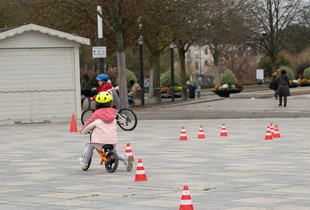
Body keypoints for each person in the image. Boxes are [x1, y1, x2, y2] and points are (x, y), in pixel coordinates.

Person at [79, 91, 133, 171]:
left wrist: (83, 131)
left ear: (96, 104)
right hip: (112, 139)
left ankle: (85, 163)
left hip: (99, 140)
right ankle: (125, 159)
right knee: (114, 152)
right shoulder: (114, 112)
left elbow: (88, 125)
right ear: (111, 103)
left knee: (90, 146)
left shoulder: (96, 114)